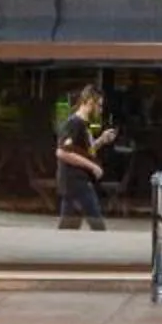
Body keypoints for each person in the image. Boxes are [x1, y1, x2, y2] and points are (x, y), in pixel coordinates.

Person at [53, 83, 118, 230]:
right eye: (99, 106)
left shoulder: (84, 124)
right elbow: (62, 152)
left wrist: (101, 140)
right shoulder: (73, 124)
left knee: (68, 227)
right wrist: (92, 166)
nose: (100, 110)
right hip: (76, 182)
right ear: (89, 102)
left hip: (76, 182)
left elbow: (84, 151)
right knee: (97, 224)